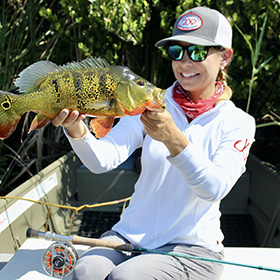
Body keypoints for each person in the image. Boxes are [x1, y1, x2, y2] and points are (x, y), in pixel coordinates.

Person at [52, 6, 255, 280]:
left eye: (197, 52)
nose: (185, 63)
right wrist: (76, 128)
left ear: (225, 57)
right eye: (176, 52)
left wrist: (175, 140)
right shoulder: (151, 102)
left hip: (193, 249)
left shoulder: (237, 122)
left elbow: (214, 188)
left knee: (127, 278)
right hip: (131, 235)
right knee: (85, 272)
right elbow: (102, 160)